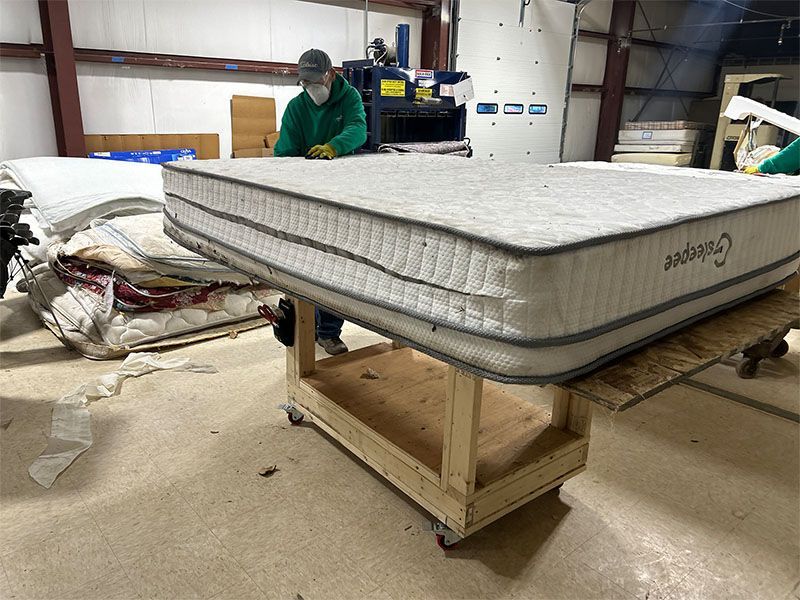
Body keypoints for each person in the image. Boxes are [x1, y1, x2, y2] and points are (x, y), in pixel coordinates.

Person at [274, 48, 367, 355]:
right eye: (304, 82)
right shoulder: (296, 108)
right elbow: (284, 152)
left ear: (330, 74)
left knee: (338, 263)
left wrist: (333, 146)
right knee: (305, 263)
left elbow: (358, 129)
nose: (310, 87)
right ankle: (304, 326)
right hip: (306, 191)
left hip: (341, 193)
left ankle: (328, 332)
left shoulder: (349, 98)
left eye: (315, 80)